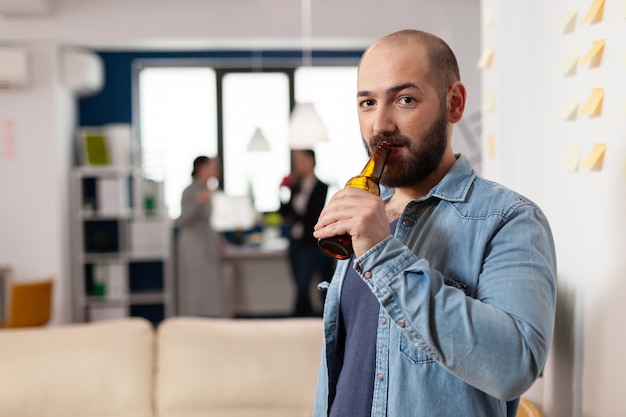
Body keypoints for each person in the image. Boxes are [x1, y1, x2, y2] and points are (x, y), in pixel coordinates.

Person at [311, 29, 557, 417]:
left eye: (404, 100)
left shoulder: (509, 219)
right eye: (368, 102)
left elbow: (514, 366)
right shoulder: (365, 218)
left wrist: (382, 253)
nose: (381, 124)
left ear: (454, 104)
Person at [279, 149, 335, 316]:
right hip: (295, 241)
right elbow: (284, 212)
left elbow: (312, 216)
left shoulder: (321, 187)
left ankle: (300, 318)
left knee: (304, 284)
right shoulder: (296, 186)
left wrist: (296, 215)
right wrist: (282, 191)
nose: (298, 165)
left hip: (310, 243)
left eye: (301, 160)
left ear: (311, 161)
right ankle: (304, 317)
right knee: (298, 283)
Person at [175, 155, 227, 317]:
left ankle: (210, 320)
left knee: (210, 284)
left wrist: (218, 240)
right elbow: (184, 218)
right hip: (192, 244)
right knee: (195, 285)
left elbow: (208, 221)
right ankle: (193, 319)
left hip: (206, 241)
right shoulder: (190, 191)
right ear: (201, 169)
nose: (215, 170)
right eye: (211, 166)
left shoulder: (208, 190)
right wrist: (198, 201)